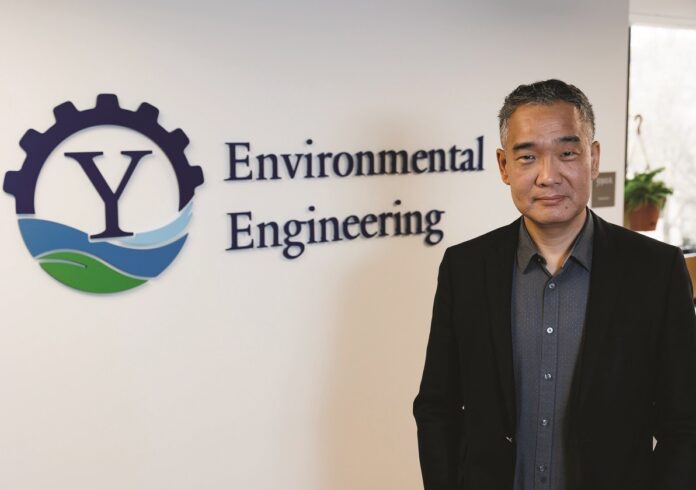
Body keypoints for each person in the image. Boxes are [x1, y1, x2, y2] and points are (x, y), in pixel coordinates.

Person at [413, 79, 696, 490]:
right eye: (527, 157)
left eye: (567, 153)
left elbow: (685, 423)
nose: (548, 176)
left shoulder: (656, 270)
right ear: (504, 166)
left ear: (593, 159)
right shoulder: (465, 268)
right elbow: (436, 407)